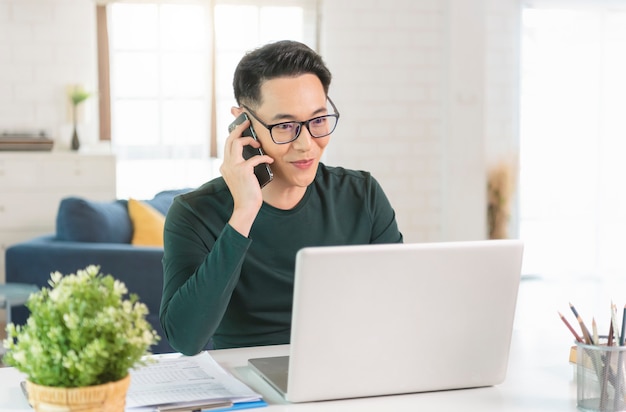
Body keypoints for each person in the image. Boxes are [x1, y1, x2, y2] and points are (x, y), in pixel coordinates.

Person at [159, 40, 403, 355]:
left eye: (318, 121)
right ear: (243, 124)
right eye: (286, 126)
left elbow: (397, 306)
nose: (306, 145)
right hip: (247, 382)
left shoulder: (361, 195)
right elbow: (185, 339)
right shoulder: (195, 213)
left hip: (346, 369)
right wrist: (244, 212)